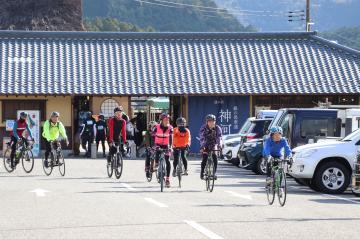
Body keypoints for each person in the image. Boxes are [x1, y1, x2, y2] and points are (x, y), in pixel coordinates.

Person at [152, 113, 173, 188]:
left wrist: (170, 146)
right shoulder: (156, 127)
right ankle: (156, 163)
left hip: (166, 145)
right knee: (157, 151)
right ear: (161, 120)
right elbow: (152, 137)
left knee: (168, 161)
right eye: (165, 119)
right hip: (158, 144)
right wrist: (154, 145)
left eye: (168, 119)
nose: (167, 121)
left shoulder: (170, 127)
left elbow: (171, 138)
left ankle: (167, 179)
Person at [199, 114, 222, 180]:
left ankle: (214, 173)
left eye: (213, 121)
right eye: (209, 121)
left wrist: (219, 145)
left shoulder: (217, 128)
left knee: (215, 157)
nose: (211, 123)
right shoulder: (203, 128)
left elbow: (219, 138)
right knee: (205, 158)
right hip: (205, 143)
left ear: (215, 121)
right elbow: (202, 137)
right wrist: (202, 146)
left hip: (213, 144)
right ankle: (202, 172)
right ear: (207, 122)